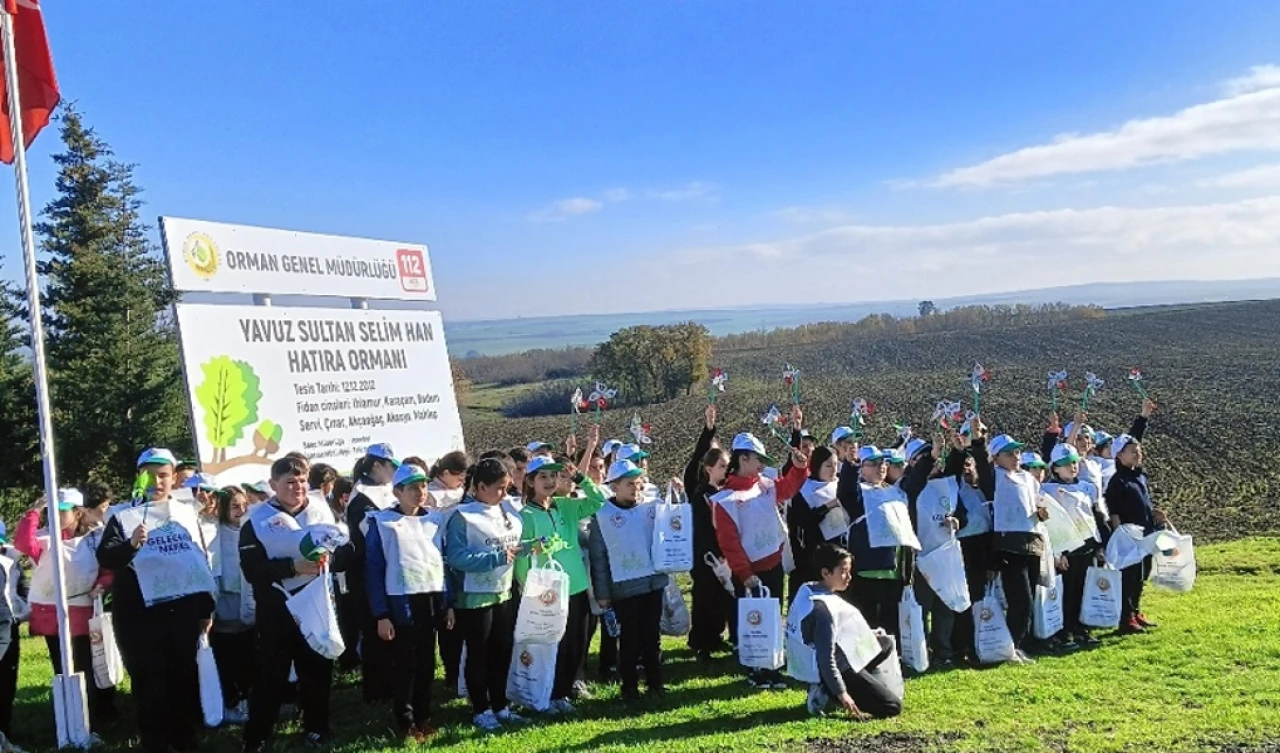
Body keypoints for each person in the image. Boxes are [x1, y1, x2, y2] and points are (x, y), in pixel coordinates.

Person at [97, 448, 216, 753]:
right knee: (149, 682)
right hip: (138, 614)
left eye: (163, 474)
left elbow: (197, 560)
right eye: (148, 474)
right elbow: (107, 557)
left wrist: (205, 607)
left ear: (174, 477)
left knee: (182, 677)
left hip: (182, 611)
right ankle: (155, 743)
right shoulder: (122, 515)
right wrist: (132, 543)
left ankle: (184, 739)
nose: (156, 481)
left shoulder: (187, 512)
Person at [240, 455, 350, 752]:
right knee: (270, 675)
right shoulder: (256, 520)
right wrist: (292, 567)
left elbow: (346, 551)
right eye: (289, 482)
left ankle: (317, 727)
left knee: (317, 669)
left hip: (317, 605)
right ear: (274, 485)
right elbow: (252, 570)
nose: (297, 487)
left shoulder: (321, 510)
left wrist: (333, 555)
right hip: (277, 610)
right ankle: (257, 736)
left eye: (302, 481)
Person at [517, 429, 606, 714]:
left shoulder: (566, 507)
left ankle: (563, 693)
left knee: (575, 644)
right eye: (542, 476)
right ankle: (548, 692)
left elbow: (598, 502)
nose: (550, 481)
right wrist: (525, 586)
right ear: (530, 482)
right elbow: (520, 555)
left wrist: (579, 477)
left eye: (553, 476)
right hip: (546, 591)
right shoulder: (526, 516)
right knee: (551, 645)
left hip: (576, 586)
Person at [712, 432, 808, 690]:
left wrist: (799, 468)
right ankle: (756, 670)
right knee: (754, 621)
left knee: (773, 617)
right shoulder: (724, 500)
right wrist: (745, 574)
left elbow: (787, 488)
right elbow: (729, 543)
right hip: (750, 573)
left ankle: (773, 668)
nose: (762, 464)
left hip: (773, 565)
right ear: (743, 458)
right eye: (758, 459)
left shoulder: (765, 484)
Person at [366, 464, 454, 743]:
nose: (420, 492)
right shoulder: (382, 524)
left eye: (424, 486)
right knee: (406, 665)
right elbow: (374, 570)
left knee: (428, 662)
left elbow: (442, 563)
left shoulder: (434, 520)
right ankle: (405, 722)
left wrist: (448, 603)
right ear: (397, 491)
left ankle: (424, 716)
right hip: (400, 602)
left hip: (429, 600)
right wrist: (381, 613)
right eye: (413, 487)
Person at [17, 488, 116, 730]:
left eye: (62, 511)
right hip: (53, 618)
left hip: (84, 616)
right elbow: (23, 542)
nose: (56, 515)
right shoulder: (44, 538)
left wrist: (102, 586)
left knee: (90, 668)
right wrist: (35, 510)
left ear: (78, 512)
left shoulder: (95, 539)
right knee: (63, 669)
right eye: (53, 510)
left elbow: (108, 570)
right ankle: (71, 718)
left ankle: (97, 717)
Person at [445, 458, 529, 732]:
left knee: (501, 651)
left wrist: (529, 547)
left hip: (503, 593)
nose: (505, 494)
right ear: (480, 486)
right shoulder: (462, 516)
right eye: (499, 488)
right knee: (478, 654)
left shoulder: (506, 509)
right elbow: (456, 556)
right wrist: (492, 558)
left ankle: (500, 704)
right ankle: (480, 708)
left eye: (507, 487)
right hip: (474, 596)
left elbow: (511, 545)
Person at [587, 460, 670, 702]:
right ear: (614, 487)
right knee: (630, 638)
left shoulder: (651, 508)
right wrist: (602, 593)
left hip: (652, 583)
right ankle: (629, 687)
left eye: (638, 483)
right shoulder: (602, 516)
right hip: (624, 587)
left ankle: (656, 682)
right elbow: (598, 558)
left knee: (652, 636)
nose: (635, 488)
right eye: (629, 484)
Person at [793, 544, 902, 720]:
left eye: (849, 571)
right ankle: (830, 690)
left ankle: (844, 686)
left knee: (884, 643)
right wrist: (842, 693)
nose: (849, 577)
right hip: (837, 667)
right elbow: (826, 658)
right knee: (892, 706)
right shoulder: (823, 609)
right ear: (825, 573)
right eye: (843, 572)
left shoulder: (809, 589)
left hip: (841, 655)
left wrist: (868, 634)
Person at [984, 434, 1049, 664]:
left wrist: (1042, 511)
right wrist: (977, 437)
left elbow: (1037, 505)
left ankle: (1018, 645)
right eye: (1009, 453)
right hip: (1009, 545)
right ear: (996, 457)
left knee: (1028, 597)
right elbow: (981, 464)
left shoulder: (1028, 479)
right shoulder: (994, 477)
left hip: (1032, 541)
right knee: (1021, 600)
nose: (1015, 457)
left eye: (1017, 452)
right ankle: (1010, 646)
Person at [1105, 400, 1168, 635]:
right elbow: (1113, 510)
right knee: (1129, 577)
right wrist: (1120, 535)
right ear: (1119, 456)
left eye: (1139, 451)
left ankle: (1136, 611)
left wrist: (1154, 515)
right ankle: (1126, 619)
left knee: (1142, 574)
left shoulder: (1138, 477)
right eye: (1133, 451)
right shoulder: (1117, 480)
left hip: (1146, 533)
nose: (1138, 453)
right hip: (1129, 536)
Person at [345, 443, 402, 704]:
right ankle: (376, 692)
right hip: (366, 571)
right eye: (392, 466)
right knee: (373, 630)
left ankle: (391, 683)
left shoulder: (384, 489)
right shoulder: (362, 496)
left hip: (389, 569)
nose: (395, 471)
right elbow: (371, 535)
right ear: (377, 465)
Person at [907, 436, 969, 669]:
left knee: (945, 605)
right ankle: (921, 652)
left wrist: (957, 521)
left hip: (945, 554)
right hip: (920, 557)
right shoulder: (910, 485)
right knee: (921, 606)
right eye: (925, 457)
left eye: (933, 456)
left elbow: (962, 513)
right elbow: (915, 483)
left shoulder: (948, 484)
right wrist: (931, 456)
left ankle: (943, 651)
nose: (933, 461)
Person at [1041, 443, 1108, 649]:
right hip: (1066, 551)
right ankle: (1064, 631)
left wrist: (1099, 546)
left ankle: (1081, 628)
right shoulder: (1046, 490)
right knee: (1066, 592)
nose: (1071, 467)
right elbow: (1050, 525)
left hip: (1086, 548)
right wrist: (1057, 553)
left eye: (1073, 462)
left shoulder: (1087, 487)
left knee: (1083, 590)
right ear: (1055, 469)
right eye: (1065, 464)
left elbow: (1094, 518)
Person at [840, 446, 909, 639]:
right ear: (863, 469)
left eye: (883, 463)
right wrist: (850, 464)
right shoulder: (858, 494)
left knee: (890, 624)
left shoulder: (894, 491)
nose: (881, 467)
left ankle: (891, 663)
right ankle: (870, 664)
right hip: (867, 571)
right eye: (874, 463)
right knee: (868, 624)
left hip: (893, 571)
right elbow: (845, 492)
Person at [684, 405, 733, 662]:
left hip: (723, 554)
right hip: (706, 556)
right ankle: (701, 642)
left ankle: (715, 636)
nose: (727, 469)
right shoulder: (701, 492)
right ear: (710, 468)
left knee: (720, 599)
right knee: (705, 598)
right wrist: (708, 431)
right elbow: (704, 528)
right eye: (723, 465)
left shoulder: (723, 493)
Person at [423, 451, 469, 691]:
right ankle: (449, 673)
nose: (461, 481)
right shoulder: (429, 494)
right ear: (445, 473)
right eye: (458, 476)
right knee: (446, 622)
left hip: (457, 559)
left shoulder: (461, 492)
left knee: (459, 621)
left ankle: (457, 672)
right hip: (437, 562)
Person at [210, 487, 255, 725]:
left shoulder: (251, 528)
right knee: (227, 655)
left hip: (248, 598)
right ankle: (231, 701)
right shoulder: (216, 532)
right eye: (234, 506)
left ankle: (249, 699)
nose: (241, 511)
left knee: (249, 654)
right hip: (226, 599)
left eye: (243, 505)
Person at [0, 531, 28, 741]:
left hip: (10, 625)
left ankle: (5, 731)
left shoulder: (11, 561)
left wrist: (23, 609)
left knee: (7, 681)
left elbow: (22, 587)